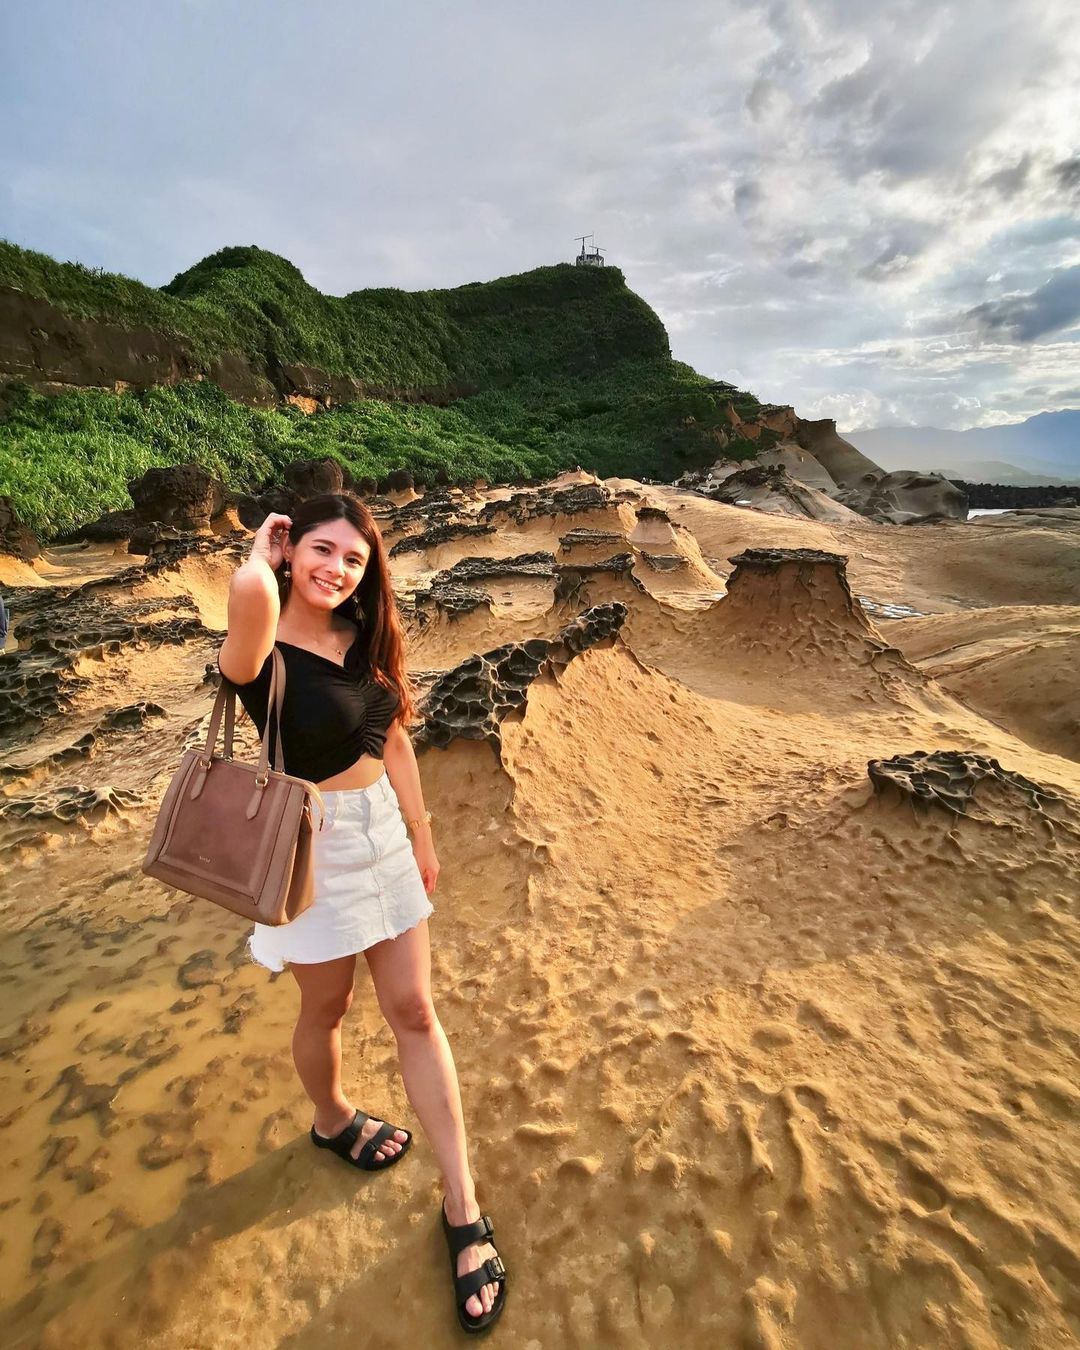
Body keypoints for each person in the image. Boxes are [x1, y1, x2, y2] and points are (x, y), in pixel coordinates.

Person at [217, 492, 507, 1334]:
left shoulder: (360, 636)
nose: (337, 569)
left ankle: (463, 1207)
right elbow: (246, 598)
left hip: (381, 831)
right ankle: (332, 1118)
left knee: (415, 1010)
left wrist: (421, 832)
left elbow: (392, 738)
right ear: (289, 551)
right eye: (319, 549)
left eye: (354, 558)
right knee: (328, 1007)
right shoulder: (259, 643)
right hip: (308, 847)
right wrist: (259, 550)